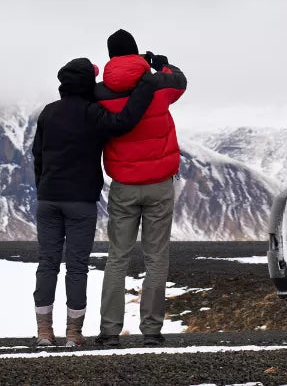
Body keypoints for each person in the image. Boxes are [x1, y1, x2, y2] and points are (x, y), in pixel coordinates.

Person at [32, 57, 156, 348]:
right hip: (81, 201)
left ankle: (44, 332)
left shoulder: (48, 113)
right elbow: (124, 122)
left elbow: (37, 156)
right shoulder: (92, 112)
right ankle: (73, 334)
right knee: (76, 267)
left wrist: (43, 188)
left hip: (48, 199)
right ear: (88, 83)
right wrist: (144, 87)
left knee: (47, 263)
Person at [94, 29, 187, 348]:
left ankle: (109, 330)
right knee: (156, 257)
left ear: (110, 58)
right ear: (135, 53)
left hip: (123, 188)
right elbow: (180, 80)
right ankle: (151, 330)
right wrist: (161, 64)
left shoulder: (101, 93)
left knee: (117, 256)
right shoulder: (158, 85)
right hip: (160, 185)